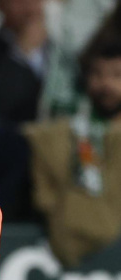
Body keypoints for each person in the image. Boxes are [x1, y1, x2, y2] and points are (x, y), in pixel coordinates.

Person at [23, 36, 121, 267]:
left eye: (116, 75)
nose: (105, 84)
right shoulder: (71, 135)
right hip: (78, 251)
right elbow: (45, 197)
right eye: (97, 74)